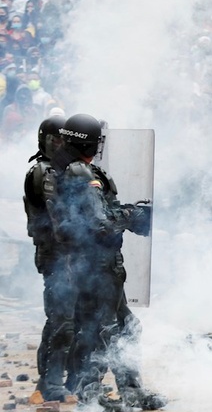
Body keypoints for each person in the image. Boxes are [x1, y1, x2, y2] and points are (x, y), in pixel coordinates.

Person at [46, 114, 162, 410]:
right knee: (101, 332)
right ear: (89, 142)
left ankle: (129, 391)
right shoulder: (81, 173)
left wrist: (130, 213)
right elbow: (99, 224)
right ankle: (91, 395)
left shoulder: (76, 170)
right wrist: (131, 217)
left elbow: (101, 211)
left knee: (124, 329)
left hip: (99, 265)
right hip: (96, 265)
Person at [23, 116, 73, 402]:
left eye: (63, 140)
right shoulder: (41, 172)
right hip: (53, 255)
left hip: (69, 256)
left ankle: (56, 378)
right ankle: (50, 381)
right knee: (61, 320)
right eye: (55, 139)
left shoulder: (63, 170)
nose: (59, 144)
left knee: (65, 319)